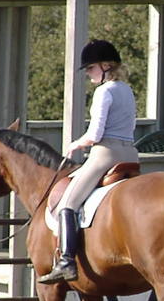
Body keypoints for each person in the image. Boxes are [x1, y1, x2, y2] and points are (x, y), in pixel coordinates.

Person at [38, 39, 138, 284]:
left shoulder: (104, 92)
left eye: (91, 68)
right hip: (130, 154)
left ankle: (66, 261)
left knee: (67, 204)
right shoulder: (126, 89)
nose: (89, 73)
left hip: (106, 154)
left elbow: (95, 134)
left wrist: (75, 144)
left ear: (106, 66)